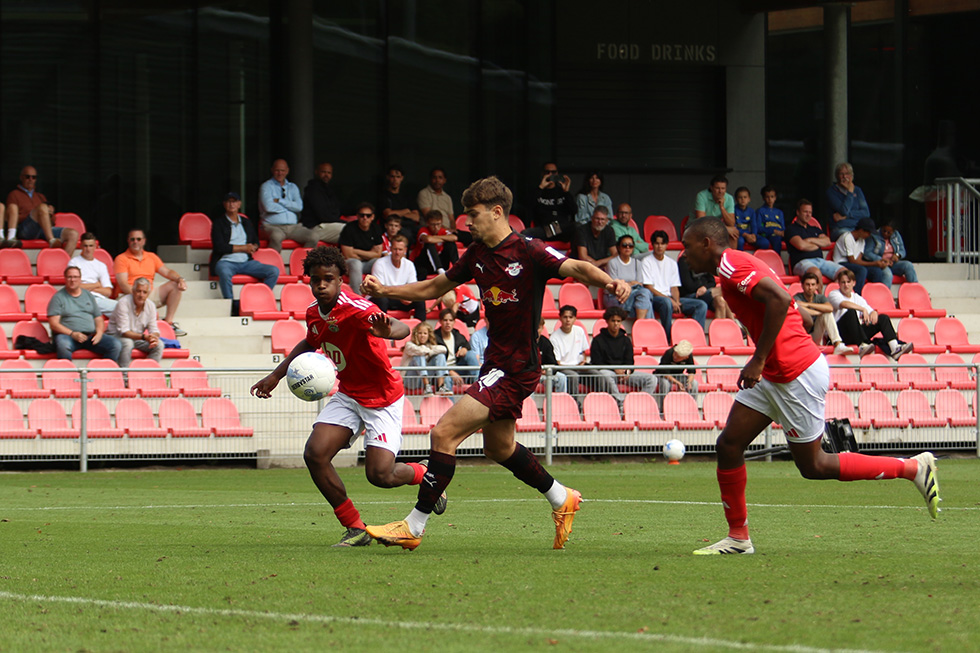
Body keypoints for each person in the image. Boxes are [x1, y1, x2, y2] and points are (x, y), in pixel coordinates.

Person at [360, 175, 631, 550]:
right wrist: (385, 290)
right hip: (496, 364)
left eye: (472, 214)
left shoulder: (528, 250)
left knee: (443, 433)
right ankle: (561, 497)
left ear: (497, 211)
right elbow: (433, 288)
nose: (467, 222)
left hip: (517, 366)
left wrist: (610, 282)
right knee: (499, 448)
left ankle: (414, 527)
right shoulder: (476, 255)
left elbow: (577, 268)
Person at [681, 216, 938, 556]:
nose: (683, 255)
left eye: (686, 247)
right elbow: (796, 313)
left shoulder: (730, 264)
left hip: (793, 372)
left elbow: (778, 300)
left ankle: (913, 468)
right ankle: (739, 537)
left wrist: (758, 358)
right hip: (777, 371)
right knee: (729, 445)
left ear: (706, 243)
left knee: (815, 466)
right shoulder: (739, 265)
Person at [250, 246, 444, 548]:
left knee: (380, 475)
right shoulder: (314, 313)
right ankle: (355, 527)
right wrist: (276, 375)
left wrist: (387, 331)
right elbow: (310, 341)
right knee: (315, 454)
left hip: (382, 398)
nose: (321, 285)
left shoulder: (357, 308)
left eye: (328, 279)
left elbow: (403, 327)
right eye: (316, 280)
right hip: (348, 394)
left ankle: (423, 472)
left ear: (341, 280)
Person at [114, 229, 188, 336]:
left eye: (138, 239)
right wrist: (140, 295)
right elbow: (123, 284)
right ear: (128, 241)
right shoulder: (121, 258)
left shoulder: (151, 257)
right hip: (129, 295)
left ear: (144, 241)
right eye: (132, 239)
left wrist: (180, 279)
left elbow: (167, 272)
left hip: (147, 294)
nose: (135, 242)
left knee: (175, 285)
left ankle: (168, 323)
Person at [828, 268, 913, 360]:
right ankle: (862, 345)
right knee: (851, 312)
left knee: (883, 318)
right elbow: (843, 304)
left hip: (856, 333)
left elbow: (870, 310)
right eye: (843, 282)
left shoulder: (857, 297)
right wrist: (862, 309)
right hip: (841, 334)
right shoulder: (834, 294)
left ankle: (894, 347)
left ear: (854, 283)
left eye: (848, 282)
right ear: (839, 284)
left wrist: (873, 313)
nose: (846, 285)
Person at [210, 192, 279, 302]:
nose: (231, 204)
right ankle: (230, 304)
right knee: (224, 271)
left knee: (273, 271)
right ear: (224, 204)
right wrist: (244, 248)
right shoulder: (219, 223)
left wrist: (254, 247)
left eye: (234, 201)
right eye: (228, 201)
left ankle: (259, 299)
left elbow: (256, 241)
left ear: (239, 204)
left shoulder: (246, 222)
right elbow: (220, 247)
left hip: (247, 262)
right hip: (226, 261)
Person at [641, 230, 708, 339]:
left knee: (701, 305)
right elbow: (648, 287)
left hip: (671, 298)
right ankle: (668, 338)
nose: (659, 246)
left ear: (667, 245)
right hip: (656, 298)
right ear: (652, 244)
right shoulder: (646, 261)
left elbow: (674, 287)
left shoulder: (671, 263)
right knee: (667, 303)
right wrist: (671, 301)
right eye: (657, 243)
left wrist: (676, 301)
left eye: (662, 243)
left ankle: (695, 337)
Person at [47, 265, 122, 362]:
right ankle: (67, 375)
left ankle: (103, 374)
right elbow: (54, 324)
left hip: (90, 336)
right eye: (70, 277)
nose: (72, 280)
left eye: (75, 277)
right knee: (63, 345)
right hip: (68, 336)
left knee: (116, 345)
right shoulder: (58, 298)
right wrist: (73, 334)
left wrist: (99, 333)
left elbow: (98, 318)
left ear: (80, 279)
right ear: (65, 279)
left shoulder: (88, 295)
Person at [588, 306, 658, 405]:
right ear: (607, 321)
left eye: (618, 321)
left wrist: (627, 371)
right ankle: (621, 404)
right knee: (605, 375)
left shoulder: (626, 340)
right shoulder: (598, 340)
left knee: (652, 379)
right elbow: (596, 362)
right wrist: (615, 369)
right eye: (613, 321)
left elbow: (630, 361)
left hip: (625, 374)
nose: (616, 323)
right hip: (608, 372)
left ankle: (640, 404)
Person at [4, 165, 78, 254]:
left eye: (33, 177)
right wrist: (35, 214)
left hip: (43, 230)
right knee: (42, 207)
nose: (30, 179)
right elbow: (10, 218)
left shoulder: (40, 196)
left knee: (73, 234)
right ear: (21, 177)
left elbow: (53, 221)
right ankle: (52, 241)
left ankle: (63, 264)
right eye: (27, 177)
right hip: (25, 230)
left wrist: (50, 213)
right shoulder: (14, 194)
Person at [259, 159, 316, 251]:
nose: (280, 173)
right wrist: (290, 207)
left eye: (282, 170)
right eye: (277, 170)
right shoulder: (266, 186)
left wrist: (280, 201)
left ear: (287, 171)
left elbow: (299, 207)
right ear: (272, 170)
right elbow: (269, 207)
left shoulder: (293, 187)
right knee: (276, 236)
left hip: (293, 227)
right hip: (272, 226)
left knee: (313, 236)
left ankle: (303, 263)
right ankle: (273, 264)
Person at [108, 277, 163, 367]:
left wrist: (154, 337)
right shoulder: (123, 303)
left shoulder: (151, 305)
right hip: (117, 336)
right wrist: (145, 337)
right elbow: (124, 331)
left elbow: (154, 328)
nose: (141, 295)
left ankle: (147, 375)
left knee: (159, 345)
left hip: (137, 338)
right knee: (128, 343)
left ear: (148, 294)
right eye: (138, 291)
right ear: (133, 291)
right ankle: (124, 376)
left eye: (144, 292)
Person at [793, 272, 851, 356]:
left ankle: (838, 344)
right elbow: (800, 310)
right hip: (802, 335)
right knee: (824, 313)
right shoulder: (797, 297)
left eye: (813, 284)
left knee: (826, 313)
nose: (810, 287)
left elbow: (829, 308)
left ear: (817, 286)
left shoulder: (820, 297)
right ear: (802, 285)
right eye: (807, 284)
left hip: (815, 334)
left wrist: (807, 305)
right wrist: (818, 311)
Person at [369, 234, 426, 320]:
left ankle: (421, 329)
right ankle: (382, 329)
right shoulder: (380, 263)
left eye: (400, 249)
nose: (397, 252)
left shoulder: (409, 264)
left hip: (400, 297)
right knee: (382, 299)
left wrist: (406, 296)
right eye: (395, 249)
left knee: (420, 299)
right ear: (391, 249)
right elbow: (379, 289)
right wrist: (401, 296)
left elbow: (413, 287)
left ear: (405, 250)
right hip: (383, 296)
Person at [786, 199, 843, 282]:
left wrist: (809, 240)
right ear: (798, 212)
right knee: (815, 273)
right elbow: (801, 246)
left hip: (821, 261)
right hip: (802, 262)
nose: (808, 215)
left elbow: (827, 242)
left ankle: (835, 294)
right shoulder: (791, 229)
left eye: (810, 212)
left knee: (844, 273)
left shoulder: (815, 229)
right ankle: (819, 295)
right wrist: (818, 244)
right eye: (805, 212)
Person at [605, 234, 653, 319]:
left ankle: (640, 323)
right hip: (616, 297)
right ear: (619, 247)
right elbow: (614, 286)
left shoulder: (637, 263)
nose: (627, 247)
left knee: (644, 294)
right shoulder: (612, 263)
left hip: (634, 294)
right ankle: (642, 325)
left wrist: (626, 284)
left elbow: (639, 284)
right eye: (624, 245)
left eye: (630, 245)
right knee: (646, 297)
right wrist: (631, 283)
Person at [338, 202, 384, 292]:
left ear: (373, 217)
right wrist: (370, 254)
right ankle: (357, 296)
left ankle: (379, 294)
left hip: (367, 264)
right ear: (357, 216)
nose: (365, 218)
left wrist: (356, 251)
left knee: (380, 262)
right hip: (349, 264)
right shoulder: (349, 228)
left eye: (368, 215)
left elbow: (378, 254)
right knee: (356, 264)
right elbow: (348, 255)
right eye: (362, 215)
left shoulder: (376, 228)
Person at [68, 231, 117, 314]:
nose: (88, 249)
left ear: (95, 246)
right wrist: (96, 284)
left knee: (119, 314)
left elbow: (108, 292)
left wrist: (87, 288)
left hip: (100, 299)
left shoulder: (101, 265)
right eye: (85, 246)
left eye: (91, 246)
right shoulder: (73, 263)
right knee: (121, 308)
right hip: (81, 298)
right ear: (81, 246)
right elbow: (74, 287)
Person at [831, 217, 883, 292]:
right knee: (861, 270)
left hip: (854, 264)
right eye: (868, 232)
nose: (869, 235)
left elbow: (858, 260)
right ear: (861, 230)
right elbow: (852, 260)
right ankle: (856, 295)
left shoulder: (862, 240)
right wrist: (874, 263)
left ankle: (874, 295)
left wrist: (875, 265)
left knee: (876, 271)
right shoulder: (847, 237)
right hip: (841, 264)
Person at [525, 162, 574, 242]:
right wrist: (540, 188)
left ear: (557, 173)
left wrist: (566, 192)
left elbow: (573, 210)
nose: (550, 175)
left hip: (562, 230)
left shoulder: (562, 191)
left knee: (577, 227)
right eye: (547, 172)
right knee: (526, 233)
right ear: (542, 174)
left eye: (553, 172)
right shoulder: (537, 191)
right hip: (544, 230)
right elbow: (529, 207)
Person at [677, 251, 734, 320]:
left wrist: (705, 287)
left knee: (720, 302)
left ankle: (720, 329)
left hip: (706, 294)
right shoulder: (683, 261)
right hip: (691, 295)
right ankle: (736, 325)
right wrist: (703, 286)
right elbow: (689, 286)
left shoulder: (704, 261)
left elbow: (712, 282)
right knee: (721, 289)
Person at [434, 308, 479, 392]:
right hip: (441, 371)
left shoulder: (457, 335)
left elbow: (467, 344)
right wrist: (450, 371)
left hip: (457, 368)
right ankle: (450, 404)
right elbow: (434, 360)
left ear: (454, 322)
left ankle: (477, 385)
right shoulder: (434, 337)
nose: (448, 323)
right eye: (445, 320)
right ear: (440, 322)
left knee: (471, 354)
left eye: (451, 320)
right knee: (446, 378)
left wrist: (465, 349)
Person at [301, 162, 345, 245]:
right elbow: (323, 216)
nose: (326, 175)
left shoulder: (329, 190)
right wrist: (341, 221)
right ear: (316, 172)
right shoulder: (313, 189)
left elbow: (337, 211)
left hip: (328, 226)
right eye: (323, 172)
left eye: (329, 173)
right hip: (315, 227)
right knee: (349, 230)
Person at [864, 221, 918, 288]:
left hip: (893, 263)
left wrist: (897, 255)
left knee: (908, 265)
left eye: (889, 232)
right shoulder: (874, 235)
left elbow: (902, 250)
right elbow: (867, 253)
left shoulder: (896, 235)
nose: (886, 233)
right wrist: (881, 259)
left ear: (893, 231)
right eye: (884, 231)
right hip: (880, 264)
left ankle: (915, 290)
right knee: (888, 274)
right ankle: (885, 296)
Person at [550, 304, 589, 397]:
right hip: (564, 368)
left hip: (579, 366)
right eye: (565, 317)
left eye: (570, 317)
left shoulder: (580, 331)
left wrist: (582, 362)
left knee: (597, 374)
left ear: (575, 319)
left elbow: (584, 352)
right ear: (560, 318)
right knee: (573, 376)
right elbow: (558, 362)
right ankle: (575, 405)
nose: (568, 320)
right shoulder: (554, 337)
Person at [402, 321, 450, 395]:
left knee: (440, 356)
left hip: (422, 379)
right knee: (419, 355)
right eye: (420, 333)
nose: (422, 336)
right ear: (416, 334)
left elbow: (444, 349)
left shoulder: (429, 346)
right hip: (410, 380)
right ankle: (427, 386)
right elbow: (420, 351)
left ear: (428, 335)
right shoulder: (409, 345)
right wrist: (430, 351)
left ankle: (441, 386)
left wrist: (429, 351)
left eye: (425, 333)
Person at [827, 162, 871, 240]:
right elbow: (844, 211)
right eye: (841, 174)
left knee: (872, 238)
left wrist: (847, 216)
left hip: (857, 227)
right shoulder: (831, 192)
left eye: (847, 174)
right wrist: (850, 193)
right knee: (849, 237)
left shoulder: (857, 190)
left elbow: (866, 213)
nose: (844, 177)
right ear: (837, 176)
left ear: (851, 176)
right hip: (840, 228)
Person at [411, 210, 458, 279]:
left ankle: (457, 268)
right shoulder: (423, 230)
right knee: (429, 244)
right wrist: (443, 238)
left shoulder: (443, 230)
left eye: (438, 224)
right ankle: (439, 269)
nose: (436, 227)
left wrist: (435, 237)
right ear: (427, 223)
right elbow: (428, 239)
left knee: (450, 244)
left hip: (440, 260)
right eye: (433, 224)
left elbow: (454, 238)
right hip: (424, 263)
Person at [693, 175, 736, 246]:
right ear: (711, 188)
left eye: (723, 188)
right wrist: (725, 229)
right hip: (699, 228)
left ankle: (730, 257)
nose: (720, 191)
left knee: (734, 235)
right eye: (717, 188)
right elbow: (702, 222)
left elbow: (731, 223)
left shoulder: (729, 198)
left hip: (716, 228)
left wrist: (722, 207)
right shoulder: (701, 196)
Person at [380, 165, 420, 235]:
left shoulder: (407, 195)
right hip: (393, 228)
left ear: (402, 178)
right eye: (392, 176)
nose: (395, 179)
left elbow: (416, 217)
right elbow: (388, 214)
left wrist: (398, 214)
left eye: (398, 177)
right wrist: (406, 211)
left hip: (410, 226)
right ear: (388, 177)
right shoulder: (384, 195)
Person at [536, 317, 567, 393]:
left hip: (544, 374)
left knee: (562, 378)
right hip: (528, 374)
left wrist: (547, 371)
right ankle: (530, 404)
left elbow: (552, 363)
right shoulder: (523, 342)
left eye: (538, 328)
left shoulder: (546, 342)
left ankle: (560, 403)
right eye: (534, 328)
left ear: (542, 328)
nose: (536, 331)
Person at [755, 185, 785, 254]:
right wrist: (773, 231)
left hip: (779, 235)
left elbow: (783, 227)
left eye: (772, 197)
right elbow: (759, 228)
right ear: (763, 198)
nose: (770, 199)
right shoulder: (760, 211)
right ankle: (776, 260)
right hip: (767, 235)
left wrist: (782, 232)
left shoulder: (779, 212)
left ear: (775, 198)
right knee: (776, 239)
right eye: (767, 197)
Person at [733, 187, 760, 251]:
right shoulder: (733, 210)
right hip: (739, 234)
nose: (743, 199)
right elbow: (734, 227)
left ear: (749, 199)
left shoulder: (751, 211)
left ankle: (755, 260)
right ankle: (741, 260)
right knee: (740, 242)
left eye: (745, 197)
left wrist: (754, 235)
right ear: (736, 199)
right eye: (740, 197)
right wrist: (744, 235)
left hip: (749, 233)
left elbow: (754, 225)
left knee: (764, 243)